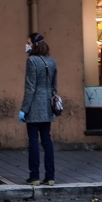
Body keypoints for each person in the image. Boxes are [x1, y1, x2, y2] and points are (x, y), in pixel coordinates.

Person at [19, 33, 57, 186]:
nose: (26, 45)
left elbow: (30, 88)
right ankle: (50, 176)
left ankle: (34, 176)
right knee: (47, 141)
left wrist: (24, 109)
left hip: (34, 106)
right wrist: (54, 105)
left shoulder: (32, 61)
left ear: (34, 44)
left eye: (28, 42)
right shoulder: (52, 61)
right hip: (48, 104)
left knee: (34, 141)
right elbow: (54, 85)